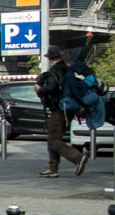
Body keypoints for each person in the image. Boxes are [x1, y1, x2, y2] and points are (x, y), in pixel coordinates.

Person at [36, 47, 89, 177]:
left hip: (59, 108)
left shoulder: (56, 70)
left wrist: (39, 89)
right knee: (54, 138)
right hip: (68, 108)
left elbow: (51, 88)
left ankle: (77, 157)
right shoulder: (67, 68)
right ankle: (52, 168)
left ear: (50, 59)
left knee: (53, 140)